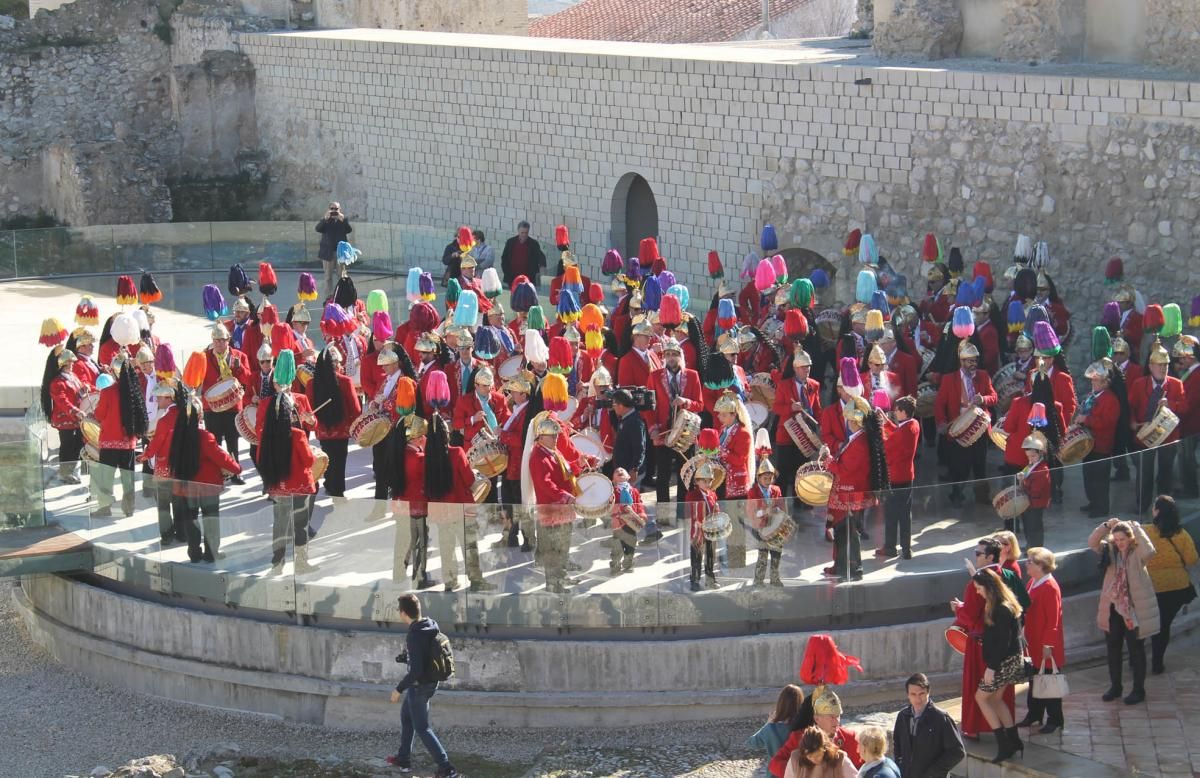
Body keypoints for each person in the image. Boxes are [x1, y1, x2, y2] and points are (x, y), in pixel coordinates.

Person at [386, 593, 460, 778]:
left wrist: (398, 689)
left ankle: (446, 768)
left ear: (403, 613)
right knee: (406, 717)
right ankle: (403, 759)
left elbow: (416, 671)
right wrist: (409, 658)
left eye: (398, 611)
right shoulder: (429, 624)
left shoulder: (414, 634)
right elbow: (425, 656)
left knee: (422, 728)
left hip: (420, 686)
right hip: (427, 683)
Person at [258, 356, 319, 575]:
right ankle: (301, 563)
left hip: (278, 477)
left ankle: (278, 563)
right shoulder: (295, 432)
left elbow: (314, 422)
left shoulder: (300, 399)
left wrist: (309, 420)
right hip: (299, 477)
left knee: (280, 523)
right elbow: (310, 461)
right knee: (299, 524)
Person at [1089, 518, 1160, 705]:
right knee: (1113, 647)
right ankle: (1115, 686)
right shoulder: (1110, 551)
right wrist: (1106, 526)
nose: (1120, 543)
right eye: (1117, 539)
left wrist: (1135, 527)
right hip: (1113, 607)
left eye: (1123, 539)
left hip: (1133, 609)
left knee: (1136, 649)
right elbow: (1092, 542)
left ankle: (1138, 689)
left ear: (1130, 538)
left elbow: (1150, 550)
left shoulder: (1137, 554)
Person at [164, 393, 240, 563]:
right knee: (211, 521)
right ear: (199, 416)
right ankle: (211, 553)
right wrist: (236, 468)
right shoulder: (205, 436)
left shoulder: (174, 435)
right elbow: (222, 458)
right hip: (208, 487)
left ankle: (194, 553)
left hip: (184, 487)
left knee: (191, 521)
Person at [822, 394, 888, 581]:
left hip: (849, 493)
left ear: (856, 421)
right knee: (843, 531)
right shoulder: (860, 438)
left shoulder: (859, 442)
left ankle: (854, 567)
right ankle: (843, 565)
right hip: (848, 492)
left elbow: (846, 469)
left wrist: (828, 461)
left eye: (850, 419)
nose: (847, 423)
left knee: (849, 532)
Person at [972, 568, 1026, 763]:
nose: (978, 592)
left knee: (981, 698)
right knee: (995, 699)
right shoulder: (1002, 603)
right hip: (1010, 659)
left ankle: (1004, 745)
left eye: (979, 588)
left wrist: (991, 667)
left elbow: (1003, 641)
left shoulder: (1001, 608)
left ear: (989, 588)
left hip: (1003, 661)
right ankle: (1014, 740)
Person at [934, 340, 997, 506]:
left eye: (975, 360)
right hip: (958, 427)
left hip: (979, 428)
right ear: (961, 361)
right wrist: (941, 423)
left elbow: (994, 397)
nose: (973, 364)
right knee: (958, 465)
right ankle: (956, 494)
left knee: (979, 464)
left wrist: (983, 398)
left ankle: (982, 496)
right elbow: (940, 404)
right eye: (970, 361)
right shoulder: (949, 379)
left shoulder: (983, 376)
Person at [1127, 340, 1186, 512]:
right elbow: (1130, 406)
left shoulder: (1176, 384)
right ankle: (1142, 506)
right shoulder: (1139, 384)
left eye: (1166, 365)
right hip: (1145, 435)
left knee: (1165, 472)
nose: (1163, 368)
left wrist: (1171, 405)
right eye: (1159, 365)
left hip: (1168, 436)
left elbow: (1185, 407)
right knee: (1144, 472)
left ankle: (1164, 507)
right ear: (1151, 366)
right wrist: (1132, 422)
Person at [1145, 495, 1198, 674]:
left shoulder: (1145, 532)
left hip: (1152, 587)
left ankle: (1136, 660)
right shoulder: (1182, 534)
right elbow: (1192, 559)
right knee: (1164, 625)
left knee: (1149, 625)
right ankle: (1157, 663)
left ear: (1157, 511)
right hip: (1177, 587)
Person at [92, 354, 149, 518]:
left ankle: (105, 507)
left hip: (109, 441)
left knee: (106, 477)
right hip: (128, 442)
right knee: (128, 478)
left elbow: (100, 414)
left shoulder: (108, 392)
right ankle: (129, 507)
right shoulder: (135, 391)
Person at [1019, 546, 1066, 734]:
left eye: (1030, 561)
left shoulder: (1049, 587)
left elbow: (1053, 619)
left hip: (1045, 645)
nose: (1026, 564)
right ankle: (1034, 714)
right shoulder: (1033, 582)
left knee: (1049, 683)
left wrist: (1048, 645)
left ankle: (1055, 719)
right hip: (1033, 643)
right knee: (1035, 681)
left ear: (1041, 565)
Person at [306, 346, 361, 499]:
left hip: (323, 431)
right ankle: (338, 488)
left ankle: (330, 484)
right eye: (337, 362)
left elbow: (310, 408)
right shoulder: (345, 381)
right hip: (342, 430)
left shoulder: (311, 383)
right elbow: (355, 408)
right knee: (339, 459)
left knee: (328, 456)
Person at [771, 686, 862, 777]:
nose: (837, 721)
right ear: (817, 718)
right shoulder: (800, 737)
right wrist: (800, 770)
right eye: (831, 717)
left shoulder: (849, 737)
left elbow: (863, 767)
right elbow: (775, 763)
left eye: (838, 716)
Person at [201, 323, 252, 479]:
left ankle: (235, 472)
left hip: (232, 405)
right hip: (212, 407)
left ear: (228, 340)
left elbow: (248, 380)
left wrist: (239, 368)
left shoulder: (239, 356)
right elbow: (197, 379)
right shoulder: (204, 356)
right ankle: (217, 472)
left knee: (232, 440)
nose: (219, 343)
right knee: (214, 443)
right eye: (216, 340)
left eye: (222, 340)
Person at [891, 673, 964, 778]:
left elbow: (957, 751)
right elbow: (897, 744)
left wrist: (934, 773)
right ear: (908, 695)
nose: (918, 699)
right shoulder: (903, 716)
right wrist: (900, 766)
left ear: (928, 692)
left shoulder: (941, 718)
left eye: (921, 694)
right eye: (913, 694)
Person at [607, 388, 654, 542]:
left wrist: (634, 468)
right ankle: (627, 534)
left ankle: (650, 530)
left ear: (621, 405)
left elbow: (640, 448)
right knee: (630, 503)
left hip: (631, 471)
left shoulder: (635, 421)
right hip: (626, 470)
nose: (613, 407)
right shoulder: (627, 418)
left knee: (633, 503)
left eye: (614, 404)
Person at [878, 396, 920, 560]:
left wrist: (879, 428)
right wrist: (886, 421)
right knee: (905, 514)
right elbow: (896, 432)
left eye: (897, 410)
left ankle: (890, 547)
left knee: (891, 514)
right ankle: (906, 548)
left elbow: (886, 447)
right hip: (907, 475)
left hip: (895, 477)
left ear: (903, 412)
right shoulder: (913, 424)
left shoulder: (902, 432)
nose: (895, 412)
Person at [43, 346, 87, 485]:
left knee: (77, 445)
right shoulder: (57, 382)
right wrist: (75, 411)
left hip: (76, 419)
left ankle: (72, 470)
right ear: (64, 364)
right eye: (70, 363)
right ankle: (65, 473)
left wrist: (85, 388)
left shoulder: (72, 377)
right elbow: (62, 401)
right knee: (67, 446)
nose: (72, 365)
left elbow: (78, 391)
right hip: (65, 419)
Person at [685, 457, 721, 591]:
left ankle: (710, 578)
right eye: (704, 481)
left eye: (709, 481)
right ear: (697, 481)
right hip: (698, 530)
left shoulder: (712, 494)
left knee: (711, 555)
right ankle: (694, 579)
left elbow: (715, 510)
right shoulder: (692, 495)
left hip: (711, 529)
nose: (707, 483)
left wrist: (717, 511)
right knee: (696, 556)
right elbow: (689, 512)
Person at [1172, 336, 1200, 496]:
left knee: (1187, 459)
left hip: (1191, 424)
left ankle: (1191, 489)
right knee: (1185, 458)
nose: (1180, 360)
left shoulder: (1197, 375)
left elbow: (1189, 403)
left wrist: (1172, 405)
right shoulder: (1192, 373)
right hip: (1188, 423)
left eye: (1182, 357)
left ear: (1191, 357)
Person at [748, 684, 805, 763]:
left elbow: (751, 743)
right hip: (797, 772)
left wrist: (767, 723)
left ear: (781, 703)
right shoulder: (806, 728)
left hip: (774, 773)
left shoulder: (770, 728)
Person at [1013, 432, 1051, 548]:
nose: (1030, 459)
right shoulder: (1031, 465)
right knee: (1028, 525)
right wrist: (1021, 476)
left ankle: (1036, 547)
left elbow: (1036, 490)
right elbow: (1025, 474)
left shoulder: (1042, 469)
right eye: (1028, 456)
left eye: (1033, 456)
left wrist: (1024, 486)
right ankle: (1030, 544)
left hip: (1035, 502)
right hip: (1028, 502)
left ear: (1040, 454)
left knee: (1035, 526)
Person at [609, 467, 646, 575]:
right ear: (613, 480)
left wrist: (641, 514)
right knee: (617, 544)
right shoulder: (612, 492)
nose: (619, 471)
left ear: (628, 477)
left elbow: (639, 504)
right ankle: (615, 562)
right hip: (619, 521)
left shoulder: (634, 491)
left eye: (622, 471)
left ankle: (628, 560)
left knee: (631, 542)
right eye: (616, 471)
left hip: (632, 521)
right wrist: (618, 509)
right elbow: (610, 506)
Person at [782, 726, 857, 778]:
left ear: (825, 748)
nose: (814, 759)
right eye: (810, 756)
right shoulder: (796, 760)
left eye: (817, 755)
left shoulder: (840, 760)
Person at [315, 201, 352, 299]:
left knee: (342, 276)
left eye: (336, 209)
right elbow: (318, 229)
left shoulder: (343, 220)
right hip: (328, 253)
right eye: (332, 209)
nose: (334, 211)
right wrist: (325, 219)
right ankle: (329, 297)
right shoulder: (326, 220)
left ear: (340, 210)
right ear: (329, 209)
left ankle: (342, 296)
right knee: (328, 277)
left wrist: (343, 220)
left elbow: (349, 230)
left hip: (340, 253)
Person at [500, 221, 547, 287]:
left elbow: (541, 257)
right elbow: (504, 259)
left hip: (528, 280)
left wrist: (542, 269)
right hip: (511, 279)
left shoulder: (533, 244)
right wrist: (507, 274)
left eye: (526, 233)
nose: (524, 235)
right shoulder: (510, 242)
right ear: (518, 231)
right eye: (522, 233)